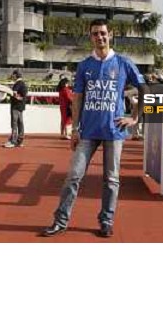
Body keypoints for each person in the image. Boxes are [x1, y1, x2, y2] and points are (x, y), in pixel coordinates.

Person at [41, 18, 144, 238]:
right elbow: (77, 99)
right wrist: (75, 129)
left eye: (103, 33)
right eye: (96, 33)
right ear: (91, 37)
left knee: (112, 180)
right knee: (73, 176)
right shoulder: (84, 65)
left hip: (114, 131)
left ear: (110, 34)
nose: (100, 37)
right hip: (87, 131)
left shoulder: (124, 63)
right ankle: (61, 220)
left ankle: (106, 220)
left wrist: (134, 118)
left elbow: (143, 88)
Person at [3, 69, 28, 148]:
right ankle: (19, 141)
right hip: (21, 106)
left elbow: (14, 93)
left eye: (13, 74)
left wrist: (14, 96)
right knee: (20, 123)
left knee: (14, 124)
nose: (12, 76)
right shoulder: (23, 83)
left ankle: (13, 141)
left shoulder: (18, 83)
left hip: (15, 106)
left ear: (15, 75)